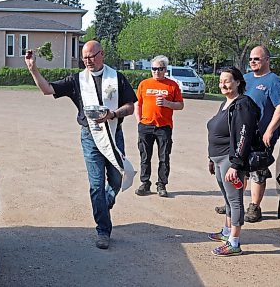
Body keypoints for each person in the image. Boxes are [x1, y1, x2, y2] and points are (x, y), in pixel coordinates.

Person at [24, 40, 137, 250]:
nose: (88, 61)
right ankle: (103, 230)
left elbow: (130, 107)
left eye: (92, 56)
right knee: (96, 186)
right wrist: (33, 69)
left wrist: (113, 114)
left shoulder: (116, 77)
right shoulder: (78, 80)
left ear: (101, 54)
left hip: (113, 134)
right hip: (90, 137)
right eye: (85, 57)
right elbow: (48, 89)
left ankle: (104, 203)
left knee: (116, 178)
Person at [214, 46, 280, 221]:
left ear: (267, 60)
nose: (253, 62)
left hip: (261, 136)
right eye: (251, 59)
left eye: (257, 59)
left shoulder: (274, 81)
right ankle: (234, 203)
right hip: (242, 134)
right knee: (239, 167)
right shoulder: (246, 79)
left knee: (257, 170)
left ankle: (255, 207)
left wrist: (270, 130)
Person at [207, 67, 260, 256]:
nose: (223, 84)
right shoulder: (226, 103)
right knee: (227, 200)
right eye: (221, 81)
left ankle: (234, 243)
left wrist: (236, 165)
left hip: (231, 161)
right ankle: (227, 231)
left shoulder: (242, 104)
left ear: (238, 82)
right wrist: (211, 159)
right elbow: (216, 131)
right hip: (219, 159)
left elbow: (243, 136)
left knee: (235, 201)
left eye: (227, 80)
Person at [134, 55, 184, 197]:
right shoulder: (144, 84)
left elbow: (180, 105)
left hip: (164, 127)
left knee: (164, 157)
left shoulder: (172, 85)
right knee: (145, 156)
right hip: (146, 126)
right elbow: (138, 104)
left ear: (165, 69)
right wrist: (139, 121)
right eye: (154, 69)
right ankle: (145, 183)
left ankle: (161, 184)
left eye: (160, 69)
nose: (157, 71)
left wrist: (168, 104)